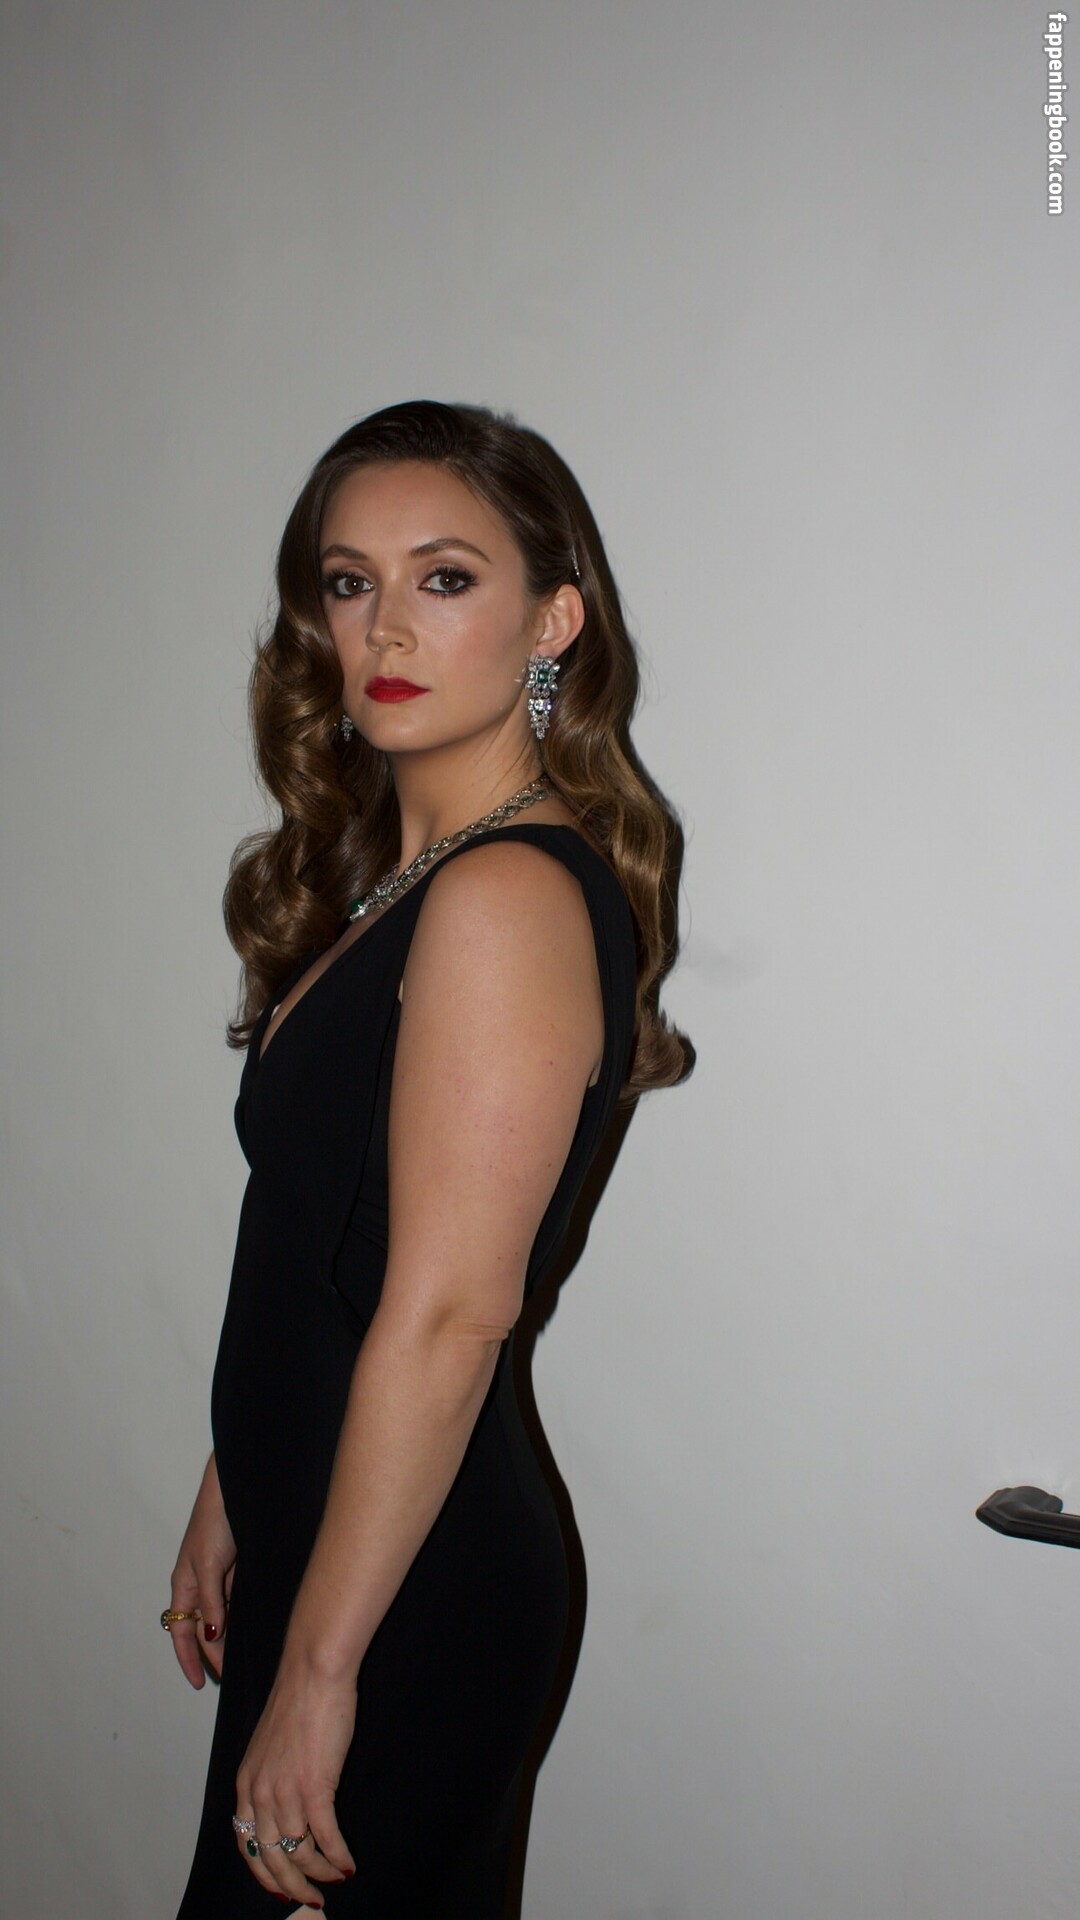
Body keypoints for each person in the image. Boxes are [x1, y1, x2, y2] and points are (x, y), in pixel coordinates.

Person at [165, 399, 691, 1918]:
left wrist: (322, 1670)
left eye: (445, 577)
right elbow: (331, 1241)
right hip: (335, 1537)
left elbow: (453, 1312)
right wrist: (234, 1480)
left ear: (554, 621)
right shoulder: (399, 889)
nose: (385, 625)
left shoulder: (505, 896)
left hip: (403, 1592)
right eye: (350, 582)